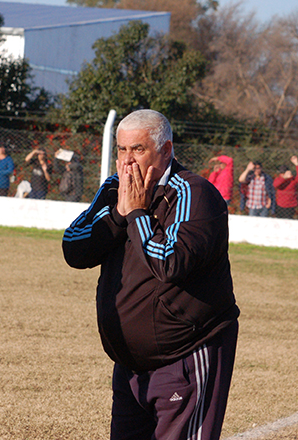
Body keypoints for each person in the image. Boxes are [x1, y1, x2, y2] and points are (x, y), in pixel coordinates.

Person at [62, 109, 239, 440]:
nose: (128, 162)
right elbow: (73, 247)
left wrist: (138, 214)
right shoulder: (115, 188)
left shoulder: (194, 193)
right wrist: (118, 214)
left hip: (185, 356)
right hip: (130, 367)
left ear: (166, 150)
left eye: (139, 149)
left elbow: (168, 262)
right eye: (122, 150)